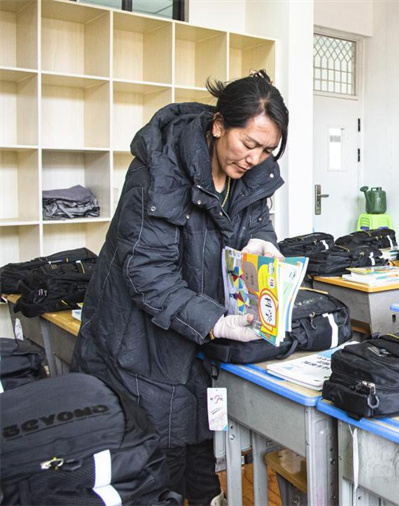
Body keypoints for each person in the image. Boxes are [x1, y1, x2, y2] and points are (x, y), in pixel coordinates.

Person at [72, 70, 289, 505]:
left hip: (193, 335)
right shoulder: (159, 170)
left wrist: (262, 240)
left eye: (267, 150)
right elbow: (146, 272)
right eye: (249, 144)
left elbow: (254, 218)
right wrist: (215, 321)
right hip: (139, 340)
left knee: (199, 449)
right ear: (219, 125)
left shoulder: (251, 172)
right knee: (158, 466)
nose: (255, 159)